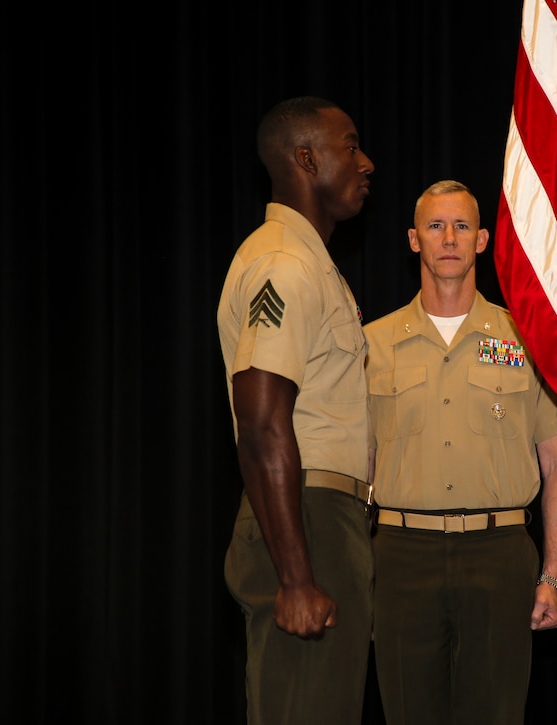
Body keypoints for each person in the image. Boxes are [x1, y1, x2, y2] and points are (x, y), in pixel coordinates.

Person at [365, 180, 557, 724]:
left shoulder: (525, 339)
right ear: (414, 240)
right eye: (435, 226)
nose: (449, 238)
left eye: (461, 226)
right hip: (401, 555)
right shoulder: (371, 344)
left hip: (499, 553)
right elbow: (356, 464)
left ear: (482, 240)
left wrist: (551, 574)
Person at [216, 96, 376, 725]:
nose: (367, 163)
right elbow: (259, 422)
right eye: (350, 145)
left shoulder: (313, 262)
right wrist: (296, 577)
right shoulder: (283, 263)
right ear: (306, 159)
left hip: (322, 517)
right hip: (303, 515)